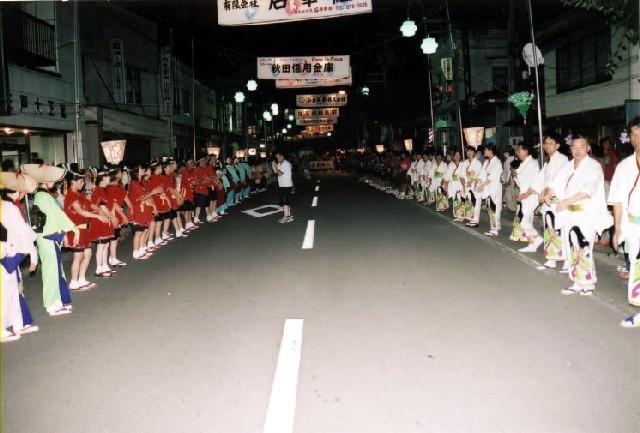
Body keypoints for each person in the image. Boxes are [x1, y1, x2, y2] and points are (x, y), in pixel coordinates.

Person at [543, 134, 612, 296]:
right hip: (568, 214)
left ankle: (588, 282)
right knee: (570, 246)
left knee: (583, 246)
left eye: (582, 147)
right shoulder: (568, 166)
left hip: (584, 214)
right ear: (570, 148)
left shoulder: (593, 166)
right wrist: (549, 192)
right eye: (574, 147)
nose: (578, 150)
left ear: (588, 148)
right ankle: (576, 281)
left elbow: (588, 190)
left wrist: (567, 201)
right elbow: (556, 182)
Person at [22, 163, 78, 315]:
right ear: (45, 181)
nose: (54, 182)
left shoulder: (42, 195)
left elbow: (55, 216)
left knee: (56, 269)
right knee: (51, 271)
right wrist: (71, 228)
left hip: (48, 236)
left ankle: (57, 300)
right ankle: (51, 304)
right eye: (51, 179)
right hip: (48, 236)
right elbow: (57, 216)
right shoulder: (43, 195)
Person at [608, 117, 640, 327]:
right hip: (634, 224)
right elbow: (617, 200)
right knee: (637, 268)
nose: (637, 139)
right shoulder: (624, 166)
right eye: (634, 135)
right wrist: (617, 228)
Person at [1, 171, 39, 341]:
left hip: (7, 251)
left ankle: (18, 323)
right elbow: (23, 232)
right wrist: (33, 252)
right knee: (7, 291)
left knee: (15, 289)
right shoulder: (10, 208)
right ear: (17, 191)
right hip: (7, 252)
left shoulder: (5, 206)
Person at [528, 134, 570, 270]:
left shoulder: (562, 159)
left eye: (550, 143)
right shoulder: (549, 161)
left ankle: (566, 261)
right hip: (548, 199)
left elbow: (558, 180)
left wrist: (545, 191)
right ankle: (552, 258)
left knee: (559, 228)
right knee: (549, 227)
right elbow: (542, 179)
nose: (547, 145)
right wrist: (535, 191)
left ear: (557, 145)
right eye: (545, 143)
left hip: (557, 198)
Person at [64, 169, 104, 290]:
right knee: (78, 256)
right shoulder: (70, 195)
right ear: (73, 182)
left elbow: (90, 205)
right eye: (81, 181)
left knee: (87, 255)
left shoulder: (79, 195)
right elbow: (81, 212)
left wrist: (100, 211)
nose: (83, 183)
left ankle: (81, 279)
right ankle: (73, 281)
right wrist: (98, 216)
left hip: (85, 230)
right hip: (76, 230)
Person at [514, 142, 542, 252]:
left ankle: (537, 237)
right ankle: (532, 244)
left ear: (526, 150)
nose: (518, 152)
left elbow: (530, 181)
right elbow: (520, 180)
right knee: (526, 219)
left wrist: (525, 194)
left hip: (529, 195)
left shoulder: (532, 163)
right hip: (524, 194)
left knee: (523, 219)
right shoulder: (525, 163)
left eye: (519, 150)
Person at [471, 144, 502, 236]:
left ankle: (494, 229)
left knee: (494, 206)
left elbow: (493, 176)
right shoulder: (486, 162)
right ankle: (497, 225)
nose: (484, 151)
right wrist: (477, 180)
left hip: (494, 186)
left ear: (490, 151)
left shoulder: (497, 162)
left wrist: (483, 185)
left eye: (485, 150)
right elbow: (482, 174)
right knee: (490, 206)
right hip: (488, 186)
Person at [460, 146, 482, 224]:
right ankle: (470, 217)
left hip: (475, 184)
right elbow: (462, 176)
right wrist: (463, 185)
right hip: (466, 185)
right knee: (469, 201)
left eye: (471, 151)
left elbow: (478, 175)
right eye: (467, 151)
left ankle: (475, 220)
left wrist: (471, 182)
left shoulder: (478, 163)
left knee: (476, 201)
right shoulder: (464, 163)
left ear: (474, 153)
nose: (469, 153)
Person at [272, 152, 294, 223]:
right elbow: (276, 172)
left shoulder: (286, 164)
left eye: (277, 157)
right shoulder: (280, 163)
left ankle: (286, 217)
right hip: (282, 185)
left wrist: (275, 165)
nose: (276, 159)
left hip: (286, 185)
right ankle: (289, 216)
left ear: (282, 157)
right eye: (276, 157)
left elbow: (280, 173)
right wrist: (273, 165)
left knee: (285, 202)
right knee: (286, 201)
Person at [444, 150, 464, 220]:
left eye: (459, 155)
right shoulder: (451, 165)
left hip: (461, 184)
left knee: (460, 199)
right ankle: (457, 214)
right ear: (453, 157)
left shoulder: (463, 165)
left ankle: (461, 215)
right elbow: (447, 177)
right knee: (455, 199)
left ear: (460, 156)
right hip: (453, 185)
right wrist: (446, 189)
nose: (457, 157)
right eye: (456, 155)